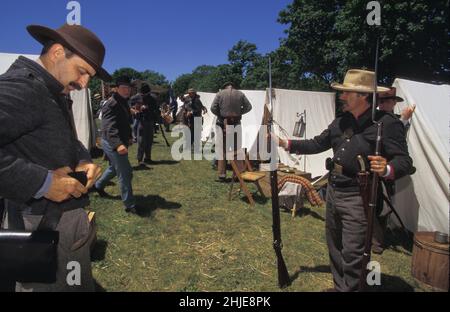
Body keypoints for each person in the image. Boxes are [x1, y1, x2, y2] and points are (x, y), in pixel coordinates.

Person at [278, 69, 413, 292]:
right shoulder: (341, 121)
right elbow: (317, 143)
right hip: (334, 189)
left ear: (362, 96)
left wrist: (387, 168)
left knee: (353, 252)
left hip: (359, 195)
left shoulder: (386, 124)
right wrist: (287, 144)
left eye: (346, 93)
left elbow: (404, 161)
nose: (341, 97)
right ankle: (341, 287)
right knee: (335, 246)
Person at [0, 23, 110, 291]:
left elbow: (67, 139)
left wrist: (82, 159)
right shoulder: (23, 87)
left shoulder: (53, 89)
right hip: (39, 224)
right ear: (58, 52)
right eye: (82, 72)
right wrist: (44, 183)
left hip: (60, 222)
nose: (84, 83)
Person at [372, 87, 416, 254]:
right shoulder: (383, 119)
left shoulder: (380, 118)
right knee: (379, 207)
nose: (384, 104)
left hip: (386, 171)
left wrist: (403, 120)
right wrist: (403, 120)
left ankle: (376, 239)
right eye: (382, 101)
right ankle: (375, 242)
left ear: (393, 103)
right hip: (380, 171)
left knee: (381, 207)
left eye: (387, 101)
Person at [93, 76, 138, 213]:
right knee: (125, 172)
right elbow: (108, 127)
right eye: (123, 88)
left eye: (128, 88)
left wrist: (129, 137)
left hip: (118, 140)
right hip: (111, 141)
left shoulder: (123, 101)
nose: (126, 90)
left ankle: (98, 186)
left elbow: (125, 123)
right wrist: (118, 145)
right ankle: (129, 204)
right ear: (116, 88)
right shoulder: (111, 103)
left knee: (114, 167)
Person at [211, 82, 252, 182]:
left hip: (222, 124)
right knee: (236, 149)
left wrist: (221, 115)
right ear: (233, 86)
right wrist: (238, 113)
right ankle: (238, 174)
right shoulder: (240, 94)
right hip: (236, 123)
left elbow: (213, 108)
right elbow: (248, 107)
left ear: (225, 87)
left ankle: (222, 175)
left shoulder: (220, 94)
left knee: (222, 149)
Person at [131, 83, 159, 165]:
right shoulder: (136, 97)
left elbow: (156, 109)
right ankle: (140, 159)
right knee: (141, 141)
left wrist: (149, 109)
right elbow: (130, 105)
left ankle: (148, 158)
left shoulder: (153, 98)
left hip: (150, 121)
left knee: (149, 140)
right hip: (141, 121)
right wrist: (137, 108)